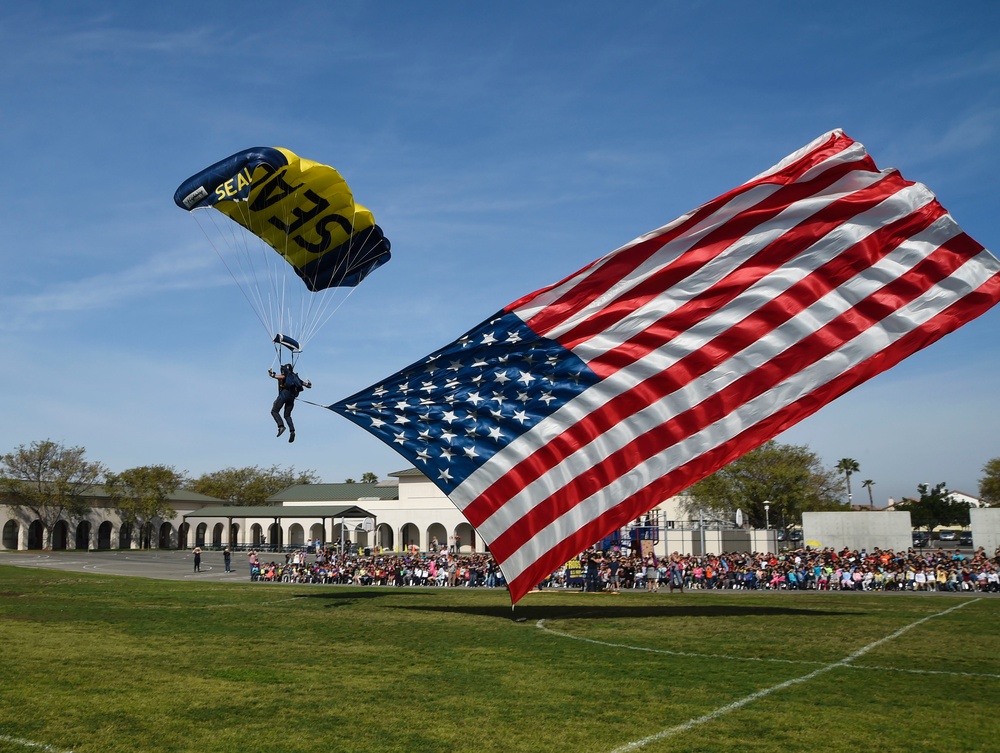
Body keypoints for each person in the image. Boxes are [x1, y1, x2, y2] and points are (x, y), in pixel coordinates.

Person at [269, 363, 311, 442]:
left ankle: (281, 426)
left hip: (284, 395)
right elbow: (307, 385)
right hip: (292, 398)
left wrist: (272, 375)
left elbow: (282, 377)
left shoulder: (286, 375)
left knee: (274, 411)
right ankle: (292, 431)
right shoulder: (295, 377)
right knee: (287, 415)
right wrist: (308, 384)